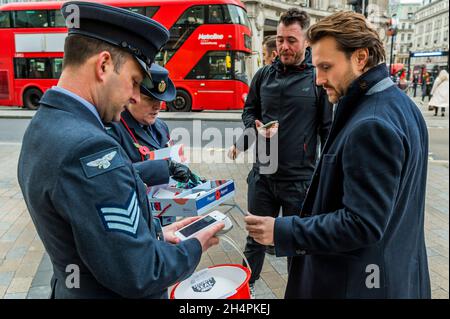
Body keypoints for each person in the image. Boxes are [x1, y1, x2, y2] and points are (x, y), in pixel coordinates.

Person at [17, 1, 223, 299]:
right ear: (103, 65)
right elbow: (140, 273)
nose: (134, 96)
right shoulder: (89, 148)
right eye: (134, 82)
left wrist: (156, 235)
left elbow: (93, 235)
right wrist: (195, 245)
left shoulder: (45, 123)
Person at [245, 11, 431, 299]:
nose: (318, 79)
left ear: (360, 58)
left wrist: (284, 230)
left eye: (326, 67)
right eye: (316, 67)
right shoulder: (402, 105)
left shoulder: (371, 124)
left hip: (360, 282)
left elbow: (362, 224)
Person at [228, 8, 332, 296]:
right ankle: (243, 289)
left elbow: (327, 130)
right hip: (263, 175)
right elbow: (249, 112)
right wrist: (254, 127)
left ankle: (299, 291)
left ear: (306, 42)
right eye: (279, 40)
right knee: (254, 239)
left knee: (296, 246)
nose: (283, 46)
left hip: (299, 181)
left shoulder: (317, 80)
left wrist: (328, 175)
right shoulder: (263, 75)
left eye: (291, 40)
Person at [106, 63, 202, 225]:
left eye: (161, 99)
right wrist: (166, 167)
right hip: (137, 218)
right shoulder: (114, 128)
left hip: (165, 214)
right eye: (150, 99)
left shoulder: (160, 126)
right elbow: (113, 176)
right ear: (132, 96)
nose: (158, 106)